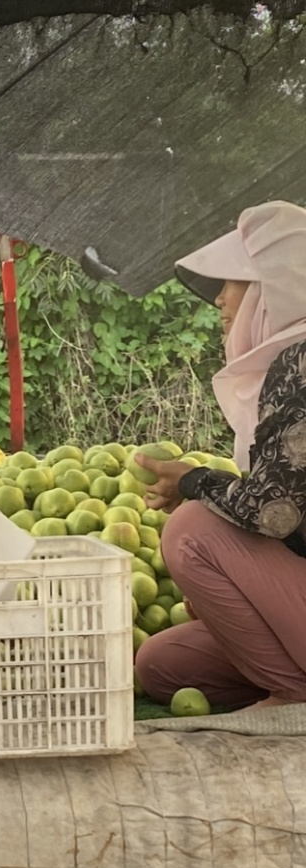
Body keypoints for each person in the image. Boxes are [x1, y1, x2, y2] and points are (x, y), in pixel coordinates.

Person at [134, 200, 306, 711]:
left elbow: (274, 512)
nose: (221, 302)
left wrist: (193, 481)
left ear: (271, 290)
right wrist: (235, 594)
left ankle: (293, 697)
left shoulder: (301, 362)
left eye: (232, 284)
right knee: (164, 665)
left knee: (191, 531)